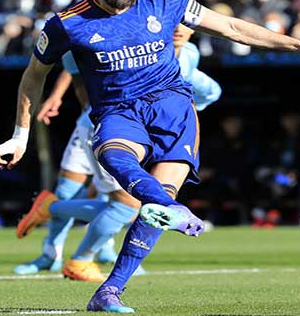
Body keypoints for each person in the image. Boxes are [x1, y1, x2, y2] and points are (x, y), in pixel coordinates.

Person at [0, 0, 300, 313]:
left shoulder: (166, 0)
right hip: (117, 111)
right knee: (113, 155)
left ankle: (108, 292)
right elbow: (33, 77)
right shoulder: (67, 23)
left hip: (172, 110)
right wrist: (20, 136)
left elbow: (230, 27)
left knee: (152, 207)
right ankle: (167, 207)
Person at [14, 24, 221, 282]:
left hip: (119, 130)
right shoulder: (120, 39)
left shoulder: (188, 54)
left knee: (106, 200)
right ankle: (67, 256)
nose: (178, 30)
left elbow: (208, 88)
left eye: (185, 25)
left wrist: (188, 111)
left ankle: (77, 238)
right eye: (174, 25)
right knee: (126, 206)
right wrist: (60, 95)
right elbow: (74, 65)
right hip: (107, 129)